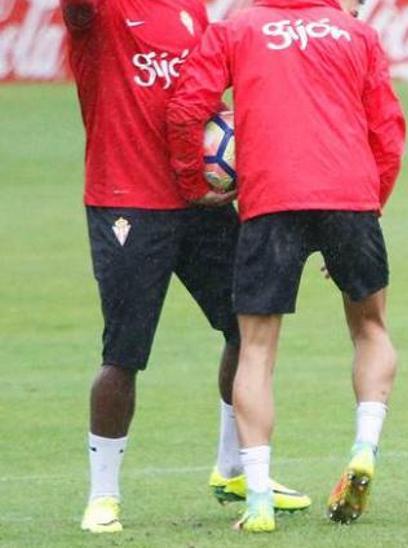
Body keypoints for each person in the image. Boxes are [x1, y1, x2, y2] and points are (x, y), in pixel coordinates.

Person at [60, 0, 310, 533]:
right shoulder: (101, 13)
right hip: (127, 202)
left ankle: (235, 469)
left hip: (203, 203)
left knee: (249, 328)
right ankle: (103, 496)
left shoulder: (191, 8)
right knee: (123, 356)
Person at [166, 0, 406, 532]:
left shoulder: (236, 28)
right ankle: (365, 446)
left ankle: (256, 498)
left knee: (256, 349)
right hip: (349, 196)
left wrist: (194, 182)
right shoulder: (355, 33)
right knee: (370, 326)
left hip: (272, 198)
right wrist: (371, 201)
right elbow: (387, 128)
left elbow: (187, 108)